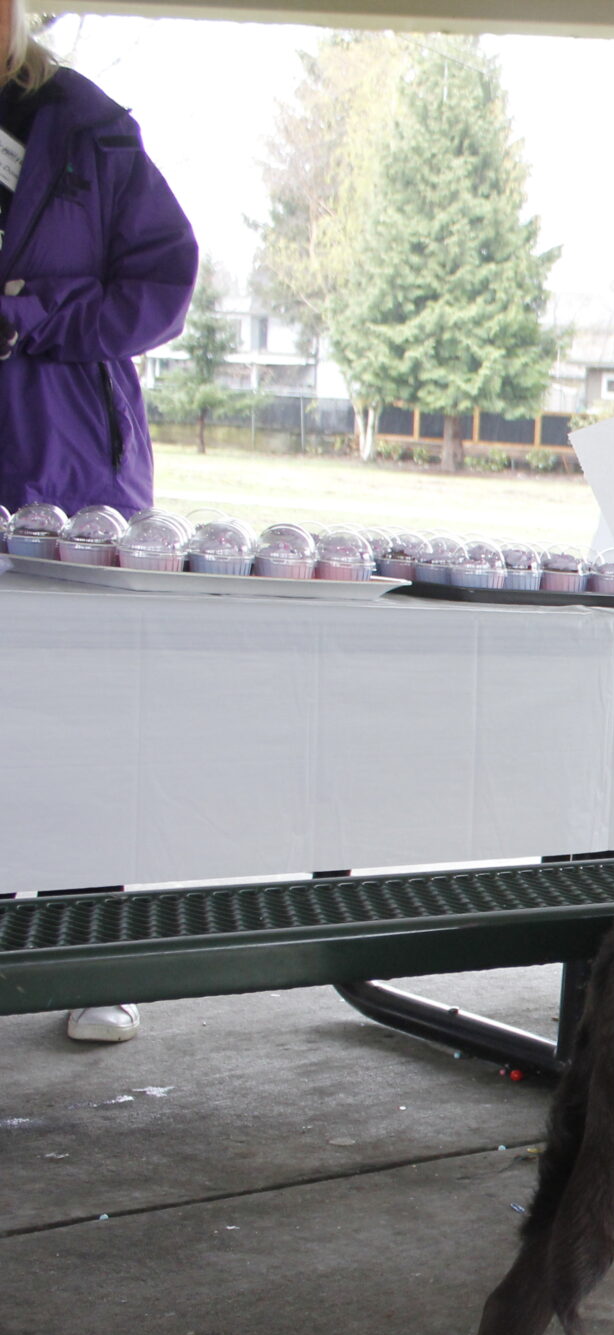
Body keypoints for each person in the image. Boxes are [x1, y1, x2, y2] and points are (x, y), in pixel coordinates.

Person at [2, 6, 199, 1044]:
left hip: (70, 451)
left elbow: (164, 284)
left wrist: (32, 316)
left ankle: (92, 956)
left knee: (83, 701)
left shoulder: (85, 127)